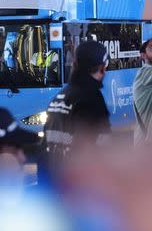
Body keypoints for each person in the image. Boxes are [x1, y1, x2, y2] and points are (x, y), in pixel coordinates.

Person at [43, 41, 111, 169]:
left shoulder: (59, 98)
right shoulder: (91, 98)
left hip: (54, 181)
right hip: (79, 182)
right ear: (102, 68)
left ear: (74, 64)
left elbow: (43, 151)